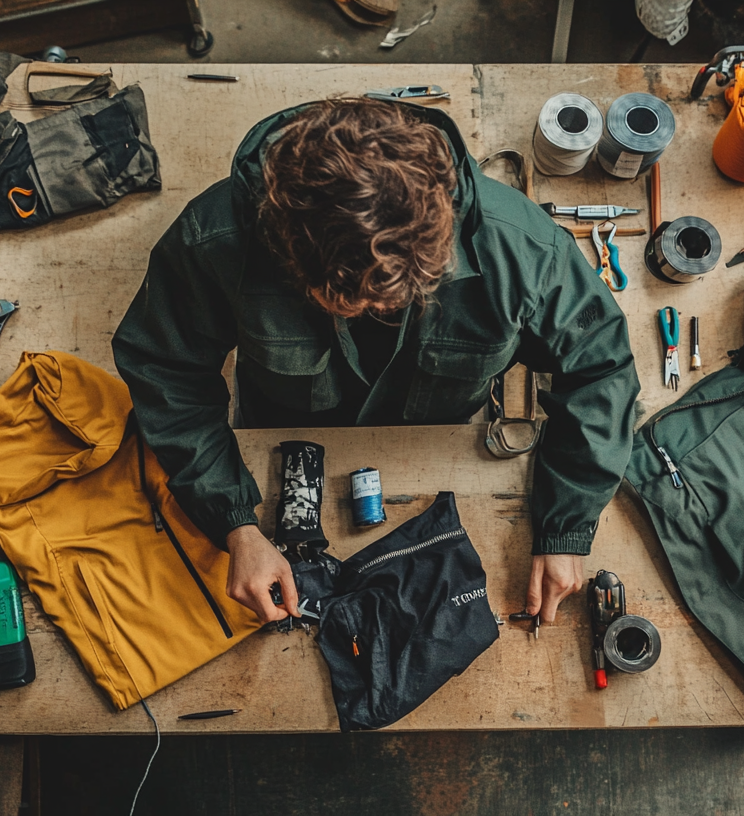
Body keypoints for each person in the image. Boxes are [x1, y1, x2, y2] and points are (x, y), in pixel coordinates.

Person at [113, 98, 639, 626]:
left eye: (392, 301)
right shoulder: (216, 240)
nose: (375, 315)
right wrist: (235, 524)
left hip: (445, 445)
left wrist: (564, 529)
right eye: (344, 303)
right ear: (287, 250)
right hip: (275, 437)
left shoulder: (521, 250)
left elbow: (601, 371)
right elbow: (166, 370)